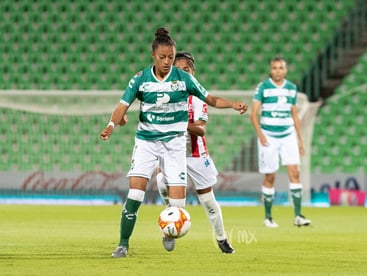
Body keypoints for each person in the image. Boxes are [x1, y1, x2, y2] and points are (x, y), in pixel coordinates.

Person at [99, 27, 247, 258]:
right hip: (147, 142)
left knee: (179, 206)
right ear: (153, 56)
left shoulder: (184, 79)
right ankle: (122, 244)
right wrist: (110, 126)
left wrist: (232, 104)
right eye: (163, 57)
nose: (167, 62)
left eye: (170, 57)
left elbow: (210, 99)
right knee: (135, 195)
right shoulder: (140, 79)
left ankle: (169, 231)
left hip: (175, 144)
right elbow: (122, 106)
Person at [156, 51, 234, 254]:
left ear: (193, 72)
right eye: (178, 69)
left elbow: (200, 130)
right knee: (161, 182)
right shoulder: (164, 96)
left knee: (208, 200)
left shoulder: (198, 98)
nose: (183, 73)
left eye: (187, 69)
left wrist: (179, 122)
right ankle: (170, 224)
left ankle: (222, 239)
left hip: (196, 154)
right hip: (173, 153)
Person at [250, 56, 311, 228]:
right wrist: (261, 135)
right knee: (270, 176)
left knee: (295, 173)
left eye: (281, 67)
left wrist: (300, 139)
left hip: (288, 135)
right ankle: (268, 217)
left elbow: (294, 115)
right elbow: (253, 114)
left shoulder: (291, 88)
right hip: (268, 136)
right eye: (275, 67)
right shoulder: (263, 87)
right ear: (271, 70)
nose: (278, 70)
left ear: (286, 70)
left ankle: (298, 216)